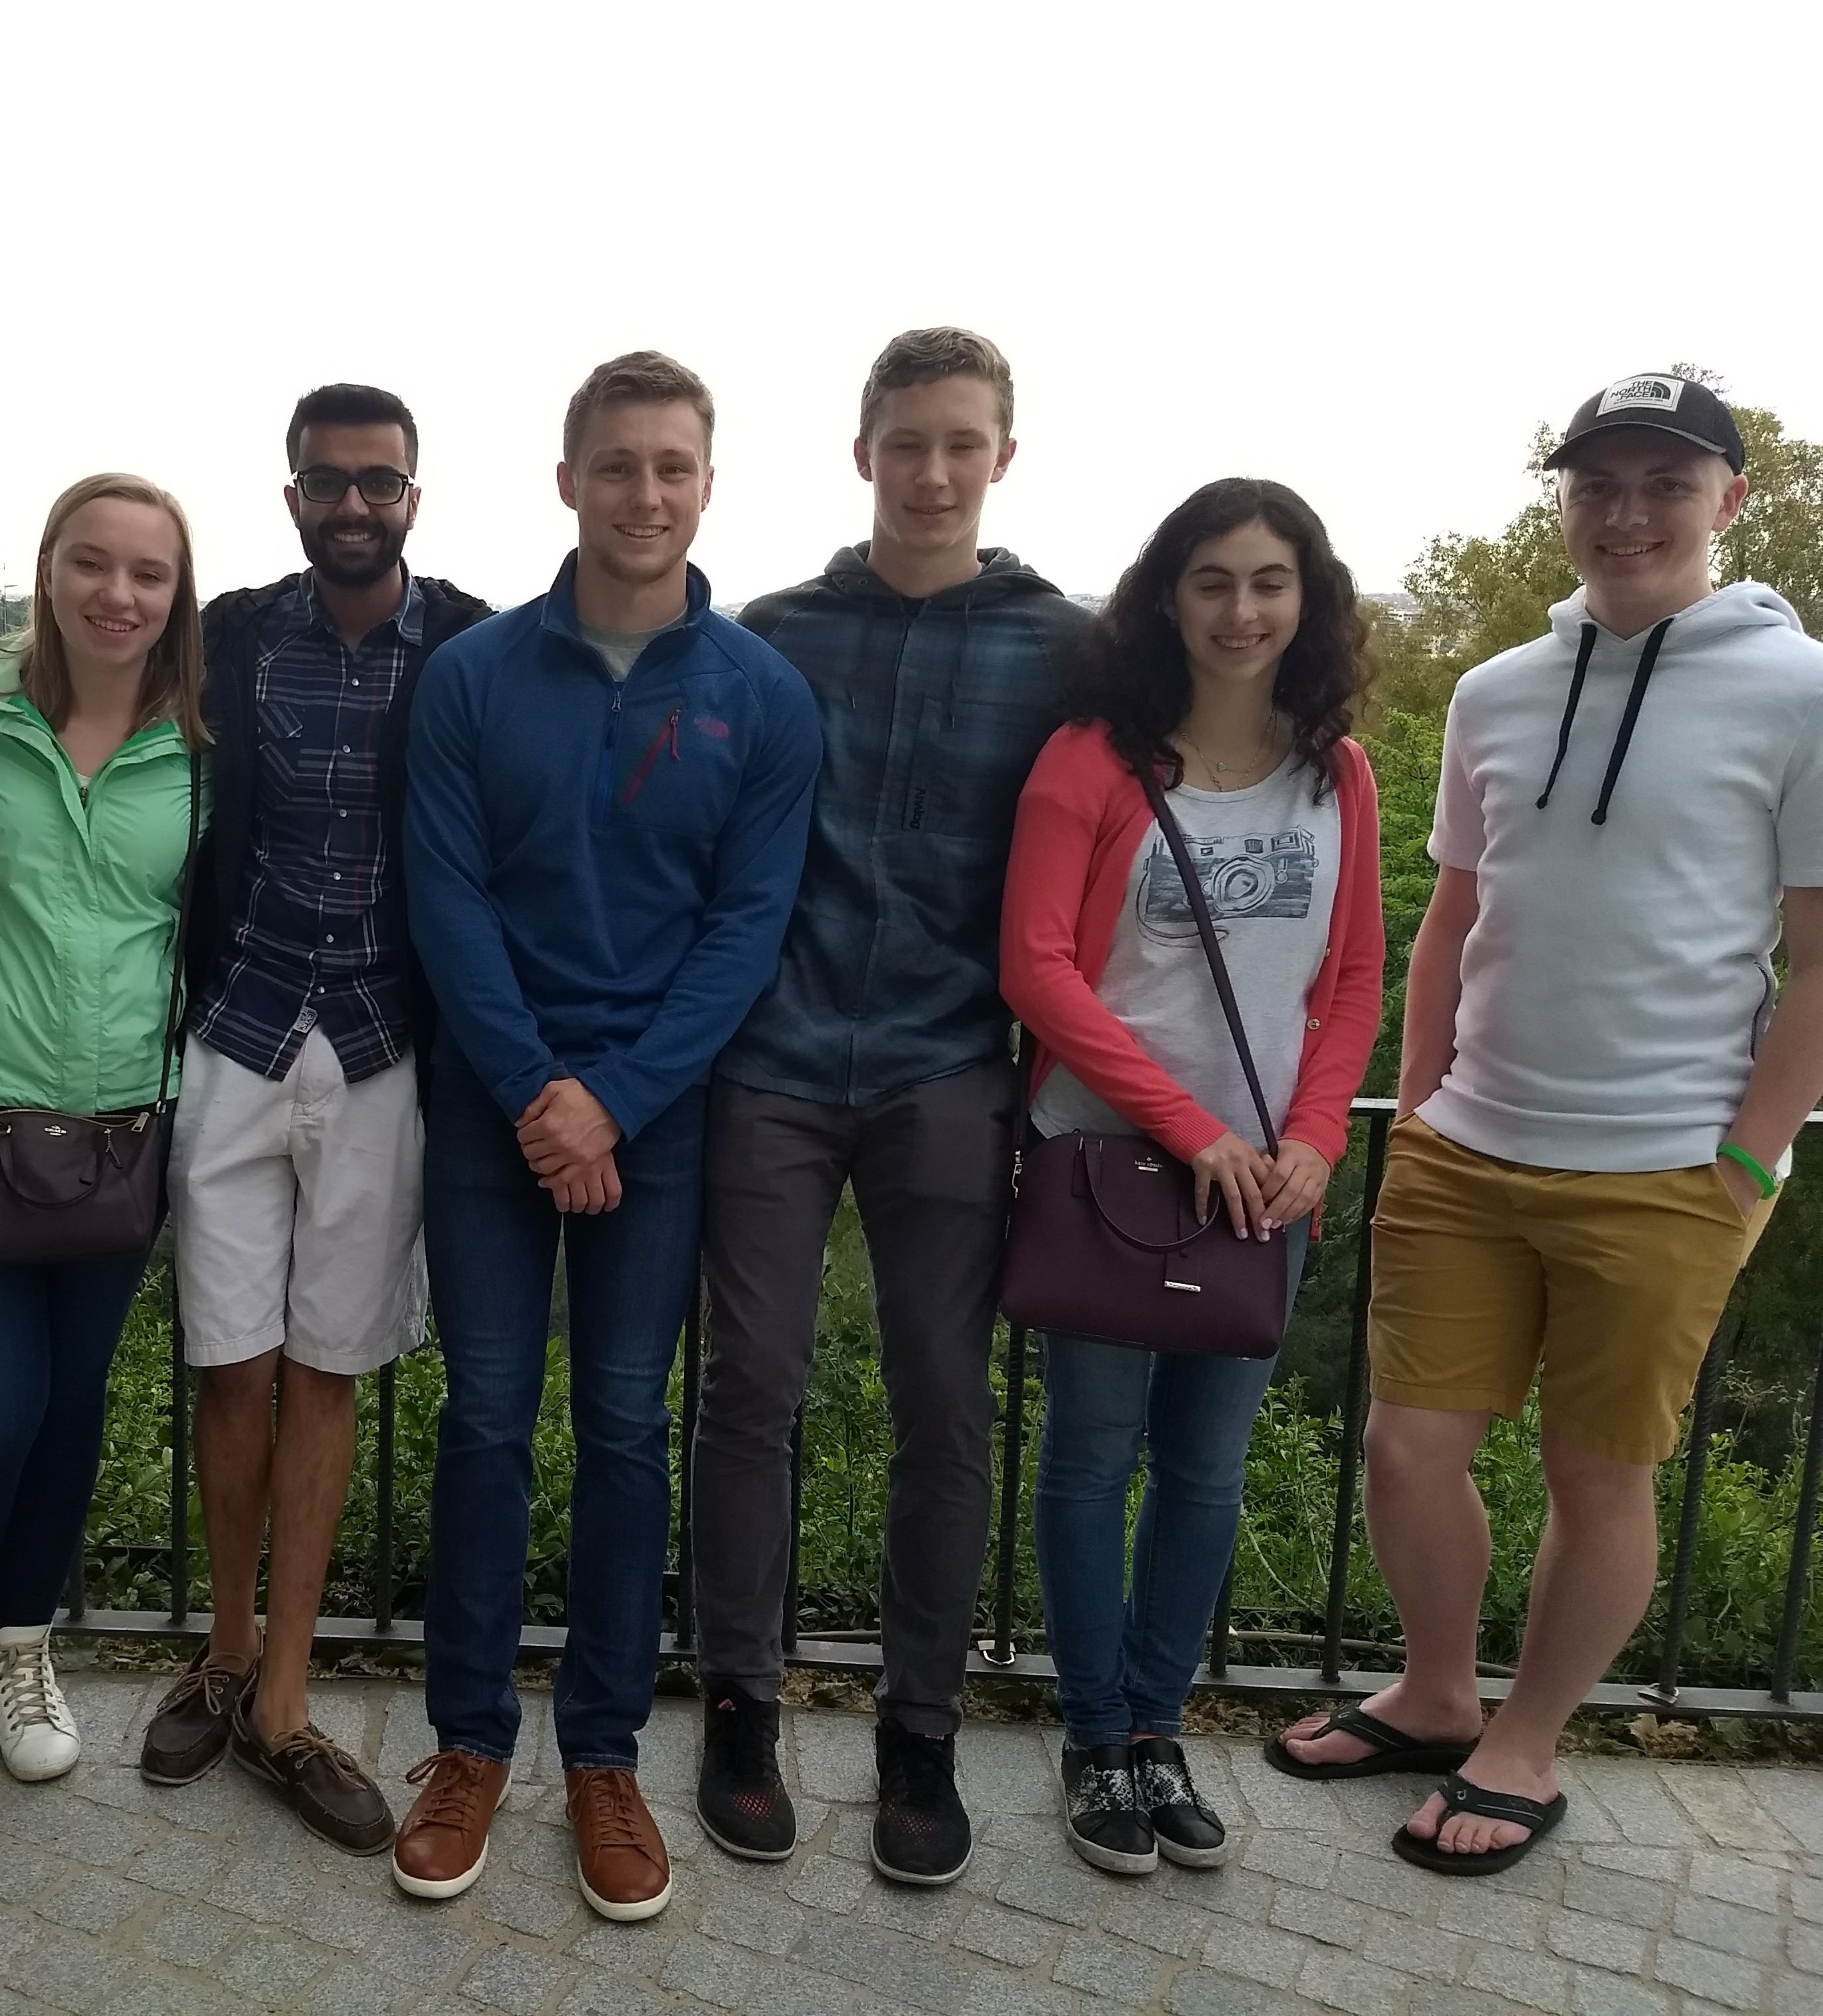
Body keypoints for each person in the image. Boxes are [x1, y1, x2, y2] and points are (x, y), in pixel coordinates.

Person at [1272, 375, 1823, 1877]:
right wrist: (1432, 1085)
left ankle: (1525, 1742)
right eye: (1598, 483)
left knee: (1600, 1475)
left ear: (1729, 498)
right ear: (1563, 500)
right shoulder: (1500, 688)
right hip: (1468, 1146)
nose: (1626, 513)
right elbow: (1457, 903)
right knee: (1405, 1448)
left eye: (1664, 481)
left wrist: (1751, 1152)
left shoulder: (1802, 690)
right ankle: (1439, 1693)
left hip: (1667, 1164)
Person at [395, 352, 820, 1920]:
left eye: (674, 467)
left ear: (707, 484)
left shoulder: (762, 696)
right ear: (567, 480)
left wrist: (614, 1103)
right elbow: (447, 898)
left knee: (629, 1432)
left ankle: (605, 1756)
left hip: (655, 1119)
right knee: (487, 1424)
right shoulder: (476, 677)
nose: (646, 494)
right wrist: (534, 1097)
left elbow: (746, 927)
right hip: (492, 1106)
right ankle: (465, 1745)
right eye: (618, 465)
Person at [689, 328, 1092, 1882]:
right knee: (750, 1388)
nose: (934, 471)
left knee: (946, 1403)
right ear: (864, 453)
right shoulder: (773, 636)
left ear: (1004, 455)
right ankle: (741, 1695)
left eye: (963, 443)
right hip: (774, 1063)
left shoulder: (1066, 649)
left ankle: (919, 1726)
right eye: (907, 441)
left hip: (946, 1068)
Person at [1002, 479, 1384, 1873]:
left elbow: (1351, 983)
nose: (1243, 610)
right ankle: (1095, 1737)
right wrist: (1191, 1131)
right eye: (1214, 580)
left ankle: (1158, 1732)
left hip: (1265, 1191)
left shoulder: (1336, 771)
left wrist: (1318, 1142)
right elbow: (1035, 966)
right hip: (1109, 1167)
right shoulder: (1092, 761)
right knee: (1093, 1460)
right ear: (1169, 595)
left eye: (1271, 581)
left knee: (1208, 1475)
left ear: (1308, 598)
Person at [139, 387, 487, 1851]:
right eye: (329, 483)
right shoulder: (229, 636)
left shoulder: (471, 643)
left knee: (330, 1370)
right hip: (235, 1028)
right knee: (231, 1365)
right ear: (290, 495)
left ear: (415, 492)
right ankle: (221, 1658)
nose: (355, 505)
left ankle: (284, 1701)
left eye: (381, 482)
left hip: (384, 1047)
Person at [0, 474, 206, 1783]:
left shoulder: (203, 740)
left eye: (148, 573)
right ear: (49, 569)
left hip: (127, 1126)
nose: (118, 594)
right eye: (94, 563)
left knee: (71, 1405)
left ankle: (25, 1645)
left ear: (176, 595)